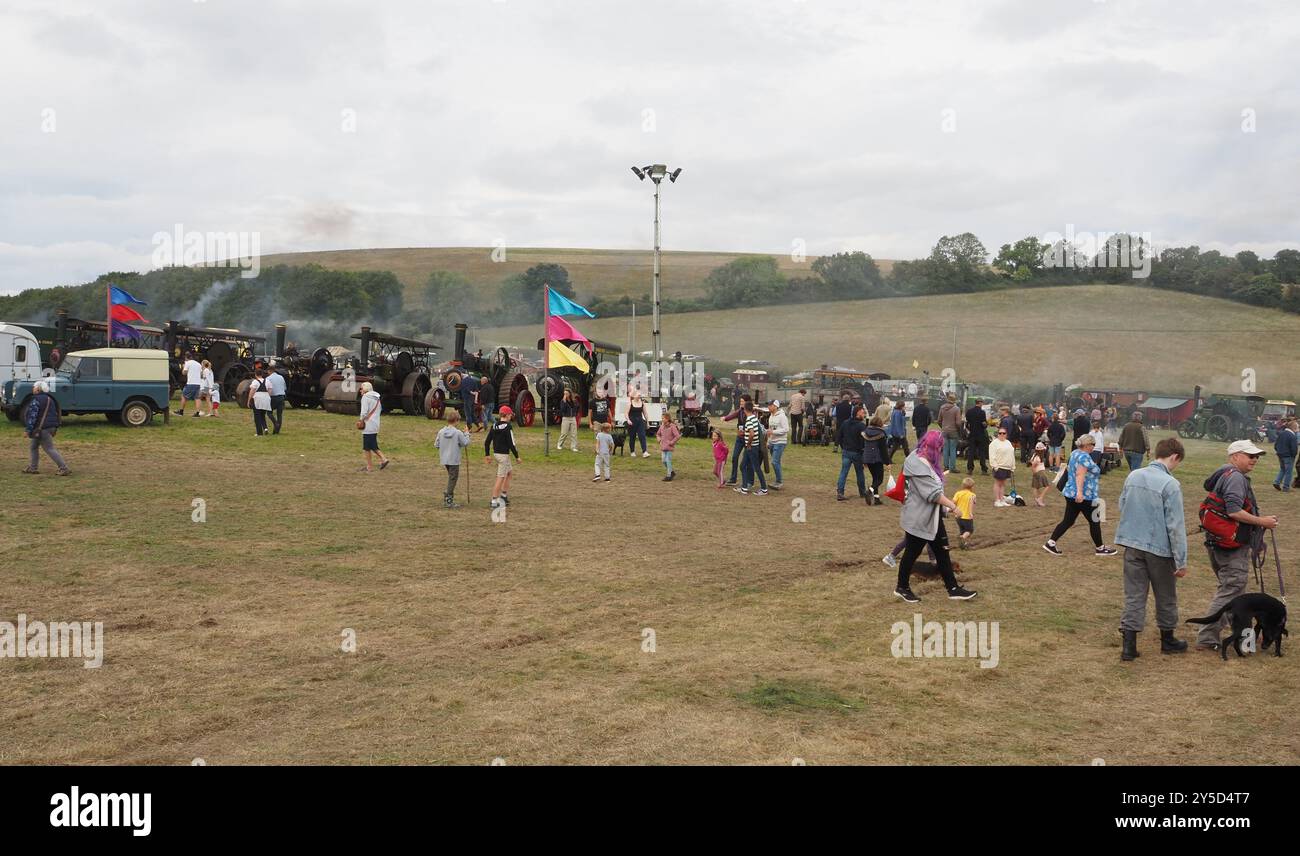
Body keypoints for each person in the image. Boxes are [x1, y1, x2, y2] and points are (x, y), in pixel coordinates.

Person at [1194, 440, 1278, 652]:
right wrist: (1263, 522)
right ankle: (1206, 637)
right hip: (1231, 545)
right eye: (1250, 456)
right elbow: (1233, 511)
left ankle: (1244, 639)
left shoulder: (1224, 474)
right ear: (1234, 456)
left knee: (1237, 593)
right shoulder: (1236, 478)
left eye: (1256, 456)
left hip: (1219, 542)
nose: (1255, 459)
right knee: (1231, 592)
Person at [1115, 437, 1189, 660]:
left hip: (1132, 545)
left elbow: (1122, 505)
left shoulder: (1134, 475)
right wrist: (1181, 561)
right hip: (1159, 550)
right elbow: (1175, 526)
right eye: (1177, 462)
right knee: (1165, 595)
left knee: (1134, 595)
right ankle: (1168, 640)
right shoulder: (1170, 484)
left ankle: (1129, 646)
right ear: (1174, 457)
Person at [892, 430, 978, 603]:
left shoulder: (925, 460)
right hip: (920, 518)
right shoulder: (918, 463)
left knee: (942, 552)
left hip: (932, 517)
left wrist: (943, 510)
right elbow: (931, 494)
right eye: (939, 447)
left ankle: (953, 589)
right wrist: (953, 506)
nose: (940, 451)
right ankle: (902, 587)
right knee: (911, 552)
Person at [1043, 434, 1117, 556]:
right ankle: (1100, 548)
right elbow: (1080, 475)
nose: (1093, 447)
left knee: (1068, 521)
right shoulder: (1084, 457)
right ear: (1087, 445)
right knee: (1094, 521)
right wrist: (1080, 493)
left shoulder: (1075, 453)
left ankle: (1051, 543)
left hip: (1070, 493)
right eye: (1093, 445)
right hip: (1084, 496)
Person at [22, 381, 69, 475]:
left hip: (41, 429)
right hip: (49, 427)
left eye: (34, 387)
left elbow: (32, 416)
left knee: (49, 448)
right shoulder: (49, 399)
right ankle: (33, 467)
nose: (33, 388)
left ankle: (64, 468)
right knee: (33, 446)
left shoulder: (36, 400)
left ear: (38, 389)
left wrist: (28, 429)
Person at [484, 404, 520, 506]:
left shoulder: (494, 426)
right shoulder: (508, 427)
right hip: (503, 456)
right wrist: (517, 456)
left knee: (509, 473)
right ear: (508, 415)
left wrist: (487, 454)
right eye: (510, 415)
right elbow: (511, 443)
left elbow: (487, 442)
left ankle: (504, 496)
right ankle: (494, 500)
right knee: (500, 477)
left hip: (497, 454)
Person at [434, 410, 471, 508]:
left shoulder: (441, 431)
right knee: (453, 479)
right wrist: (467, 433)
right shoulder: (458, 432)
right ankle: (448, 499)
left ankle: (448, 496)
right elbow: (465, 443)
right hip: (454, 460)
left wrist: (444, 447)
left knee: (451, 478)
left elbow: (436, 444)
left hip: (444, 459)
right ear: (457, 420)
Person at [835, 404, 867, 502]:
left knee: (843, 472)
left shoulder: (845, 423)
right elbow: (864, 440)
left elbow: (839, 436)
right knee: (860, 473)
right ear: (857, 413)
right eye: (862, 412)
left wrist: (843, 446)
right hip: (857, 452)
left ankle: (840, 492)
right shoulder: (861, 426)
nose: (864, 414)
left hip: (846, 451)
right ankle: (862, 492)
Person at [736, 400, 768, 496]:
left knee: (756, 468)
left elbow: (752, 433)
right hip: (751, 447)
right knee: (742, 466)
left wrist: (749, 444)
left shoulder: (749, 419)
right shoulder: (754, 417)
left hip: (751, 447)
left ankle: (764, 489)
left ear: (745, 409)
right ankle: (744, 488)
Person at [357, 381, 389, 471]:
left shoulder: (365, 397)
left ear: (366, 389)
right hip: (375, 423)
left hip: (368, 424)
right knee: (372, 445)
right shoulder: (377, 398)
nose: (360, 390)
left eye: (361, 388)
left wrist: (361, 420)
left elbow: (364, 412)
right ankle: (380, 461)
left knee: (367, 447)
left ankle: (373, 464)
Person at [721, 394, 753, 485]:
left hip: (748, 439)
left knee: (748, 460)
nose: (741, 403)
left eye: (743, 402)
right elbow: (733, 415)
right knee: (735, 457)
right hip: (740, 438)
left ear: (748, 402)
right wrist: (725, 418)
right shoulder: (740, 411)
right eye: (741, 402)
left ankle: (750, 481)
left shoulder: (752, 412)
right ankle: (733, 478)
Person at [863, 414, 888, 504]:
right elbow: (883, 449)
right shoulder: (881, 434)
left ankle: (876, 499)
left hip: (868, 458)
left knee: (875, 478)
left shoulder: (866, 432)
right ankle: (869, 491)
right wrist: (887, 461)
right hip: (877, 458)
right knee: (879, 479)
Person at [989, 425, 1015, 506]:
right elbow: (992, 456)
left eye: (1004, 433)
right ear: (998, 434)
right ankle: (997, 500)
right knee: (998, 483)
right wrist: (995, 466)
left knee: (1003, 484)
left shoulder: (1008, 442)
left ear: (1006, 434)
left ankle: (1002, 499)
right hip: (999, 466)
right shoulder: (994, 443)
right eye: (1000, 433)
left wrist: (1013, 466)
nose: (1002, 435)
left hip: (1007, 466)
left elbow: (1012, 454)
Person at [767, 399, 789, 489]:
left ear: (775, 406)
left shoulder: (782, 416)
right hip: (772, 442)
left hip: (780, 442)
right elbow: (770, 430)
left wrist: (773, 432)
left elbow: (786, 429)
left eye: (770, 405)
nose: (768, 407)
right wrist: (768, 441)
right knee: (776, 462)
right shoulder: (771, 416)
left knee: (774, 462)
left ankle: (779, 482)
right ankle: (777, 481)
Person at [938, 393, 962, 472]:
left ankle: (946, 466)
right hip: (953, 431)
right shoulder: (956, 409)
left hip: (944, 430)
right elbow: (958, 423)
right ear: (954, 401)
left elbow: (939, 420)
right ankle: (952, 467)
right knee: (952, 449)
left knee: (945, 449)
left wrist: (943, 427)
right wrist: (959, 430)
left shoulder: (942, 407)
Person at [964, 398, 989, 475]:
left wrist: (970, 429)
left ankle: (970, 469)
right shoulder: (982, 412)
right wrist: (986, 425)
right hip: (980, 434)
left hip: (972, 434)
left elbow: (967, 423)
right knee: (982, 452)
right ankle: (984, 469)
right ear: (980, 403)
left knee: (971, 452)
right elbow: (984, 423)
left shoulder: (969, 411)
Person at [175, 351, 203, 416]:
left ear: (186, 357)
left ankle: (181, 411)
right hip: (198, 383)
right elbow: (201, 375)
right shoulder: (198, 364)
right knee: (197, 398)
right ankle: (197, 413)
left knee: (184, 396)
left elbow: (184, 373)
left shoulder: (187, 363)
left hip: (190, 383)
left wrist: (183, 367)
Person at [1273, 420, 1297, 491]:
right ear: (1294, 428)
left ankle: (1277, 482)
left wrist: (1278, 451)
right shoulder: (1292, 436)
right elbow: (1294, 448)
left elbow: (1276, 445)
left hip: (1280, 455)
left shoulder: (1281, 433)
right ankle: (1286, 487)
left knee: (1282, 469)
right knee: (1288, 472)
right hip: (1288, 456)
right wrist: (1294, 455)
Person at [953, 477, 976, 548]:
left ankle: (963, 544)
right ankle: (962, 538)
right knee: (969, 530)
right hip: (967, 516)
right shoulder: (972, 495)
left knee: (962, 530)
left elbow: (953, 502)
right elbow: (971, 504)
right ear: (972, 486)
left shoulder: (958, 493)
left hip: (958, 516)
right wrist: (970, 513)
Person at [657, 411, 681, 482]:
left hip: (669, 447)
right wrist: (659, 440)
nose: (662, 420)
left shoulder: (672, 427)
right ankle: (671, 472)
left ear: (667, 419)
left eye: (663, 418)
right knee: (664, 461)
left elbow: (677, 436)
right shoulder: (661, 427)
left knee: (668, 460)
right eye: (662, 418)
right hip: (663, 447)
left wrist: (671, 442)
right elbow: (658, 434)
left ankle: (669, 475)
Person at [248, 370, 272, 437]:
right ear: (262, 374)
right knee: (262, 415)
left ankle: (259, 433)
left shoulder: (255, 382)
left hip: (257, 399)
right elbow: (270, 390)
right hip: (266, 399)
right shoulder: (267, 381)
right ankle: (265, 428)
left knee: (257, 416)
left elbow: (252, 391)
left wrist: (249, 400)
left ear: (255, 375)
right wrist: (267, 398)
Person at [887, 400, 910, 464]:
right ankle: (909, 459)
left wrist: (903, 414)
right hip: (899, 433)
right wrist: (901, 434)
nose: (904, 407)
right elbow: (898, 424)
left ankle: (888, 458)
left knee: (895, 446)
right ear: (901, 406)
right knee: (905, 446)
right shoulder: (898, 413)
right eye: (903, 406)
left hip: (895, 433)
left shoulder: (895, 411)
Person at [1030, 442, 1052, 506]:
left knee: (1036, 487)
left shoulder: (1034, 455)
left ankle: (1038, 500)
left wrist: (1034, 473)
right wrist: (1035, 474)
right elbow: (1033, 466)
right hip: (1040, 472)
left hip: (1037, 472)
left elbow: (1031, 463)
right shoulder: (1038, 458)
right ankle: (1040, 498)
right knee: (1047, 486)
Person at [266, 364, 287, 434]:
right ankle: (276, 431)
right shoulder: (281, 377)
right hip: (281, 397)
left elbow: (267, 389)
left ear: (269, 371)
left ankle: (275, 423)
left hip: (273, 397)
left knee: (269, 412)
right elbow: (284, 388)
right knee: (279, 415)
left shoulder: (268, 378)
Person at [628, 390, 649, 457]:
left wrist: (647, 422)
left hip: (640, 421)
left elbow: (645, 413)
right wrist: (628, 420)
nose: (639, 396)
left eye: (640, 395)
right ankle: (632, 451)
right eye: (638, 395)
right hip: (632, 421)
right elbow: (626, 413)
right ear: (634, 396)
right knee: (632, 436)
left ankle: (645, 452)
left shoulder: (642, 403)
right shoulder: (630, 403)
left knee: (642, 435)